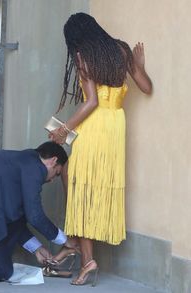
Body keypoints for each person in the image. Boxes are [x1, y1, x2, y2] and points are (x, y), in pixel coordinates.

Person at [49, 12, 152, 286]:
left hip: (93, 127)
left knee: (82, 189)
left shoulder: (83, 56)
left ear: (75, 38)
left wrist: (63, 130)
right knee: (97, 187)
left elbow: (91, 101)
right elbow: (146, 87)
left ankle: (87, 261)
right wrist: (139, 66)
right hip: (116, 126)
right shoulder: (121, 50)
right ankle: (83, 255)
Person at [0, 141, 77, 281]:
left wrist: (36, 248)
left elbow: (15, 217)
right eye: (56, 173)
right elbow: (34, 216)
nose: (52, 180)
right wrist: (64, 240)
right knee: (0, 271)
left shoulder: (22, 161)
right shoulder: (35, 168)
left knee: (1, 268)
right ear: (53, 161)